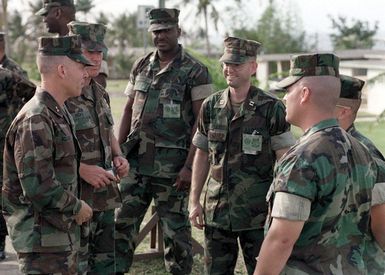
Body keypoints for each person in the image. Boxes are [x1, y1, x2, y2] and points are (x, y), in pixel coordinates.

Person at [254, 53, 378, 275]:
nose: (284, 98)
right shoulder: (360, 150)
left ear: (304, 94)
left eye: (288, 91)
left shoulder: (303, 158)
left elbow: (281, 239)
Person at [115, 8, 213, 275]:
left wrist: (189, 167)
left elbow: (201, 123)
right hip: (134, 163)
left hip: (172, 169)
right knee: (121, 225)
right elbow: (127, 109)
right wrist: (117, 152)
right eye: (156, 31)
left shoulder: (195, 71)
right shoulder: (140, 65)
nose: (160, 36)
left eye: (166, 30)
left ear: (178, 32)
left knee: (176, 232)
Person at [189, 36, 295, 275]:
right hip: (216, 212)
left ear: (253, 67)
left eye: (237, 64)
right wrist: (194, 201)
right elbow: (202, 154)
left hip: (257, 215)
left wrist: (282, 207)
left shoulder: (271, 108)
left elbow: (285, 159)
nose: (229, 69)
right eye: (226, 63)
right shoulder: (211, 106)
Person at [2, 35, 93, 274]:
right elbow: (38, 186)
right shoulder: (36, 118)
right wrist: (77, 207)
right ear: (62, 70)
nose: (86, 74)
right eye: (81, 66)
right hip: (42, 244)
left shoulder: (56, 112)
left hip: (57, 238)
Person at [66, 21, 129, 274]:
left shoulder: (99, 92)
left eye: (99, 52)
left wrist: (118, 156)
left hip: (104, 195)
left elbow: (108, 130)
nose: (96, 58)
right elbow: (48, 150)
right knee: (76, 266)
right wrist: (81, 169)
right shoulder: (61, 93)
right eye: (89, 51)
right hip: (75, 196)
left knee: (104, 265)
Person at [335, 75, 385, 274]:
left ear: (342, 111)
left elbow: (380, 217)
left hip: (362, 263)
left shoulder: (365, 153)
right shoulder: (332, 146)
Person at [0, 68, 35, 261]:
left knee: (6, 193)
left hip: (4, 144)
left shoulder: (7, 76)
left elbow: (33, 93)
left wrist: (16, 115)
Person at [36, 0, 109, 87]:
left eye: (45, 14)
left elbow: (98, 82)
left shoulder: (88, 38)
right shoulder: (51, 46)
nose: (44, 20)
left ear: (57, 13)